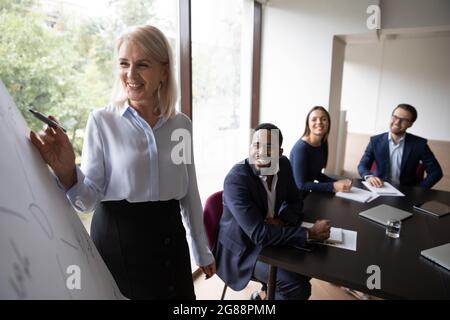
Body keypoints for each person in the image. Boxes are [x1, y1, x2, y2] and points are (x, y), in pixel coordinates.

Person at [30, 25, 215, 299]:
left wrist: (201, 248)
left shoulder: (181, 126)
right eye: (124, 64)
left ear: (164, 71)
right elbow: (88, 199)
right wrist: (67, 171)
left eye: (142, 65)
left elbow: (189, 192)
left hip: (170, 239)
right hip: (119, 241)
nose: (130, 75)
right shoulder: (102, 121)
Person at [213, 123, 331, 300]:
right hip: (243, 250)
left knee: (307, 266)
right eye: (256, 145)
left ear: (280, 152)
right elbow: (259, 235)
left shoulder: (283, 165)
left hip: (270, 237)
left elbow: (295, 201)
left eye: (269, 147)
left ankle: (263, 296)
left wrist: (282, 220)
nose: (261, 152)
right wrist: (309, 234)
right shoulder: (236, 180)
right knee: (298, 286)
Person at [358, 104, 443, 189]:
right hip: (379, 188)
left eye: (404, 120)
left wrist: (420, 190)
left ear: (410, 124)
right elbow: (362, 165)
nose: (397, 122)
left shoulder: (419, 144)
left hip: (406, 193)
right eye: (395, 117)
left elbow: (436, 172)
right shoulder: (375, 141)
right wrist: (368, 176)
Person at [290, 106, 352, 194]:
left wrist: (338, 182)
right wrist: (333, 186)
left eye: (323, 119)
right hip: (295, 199)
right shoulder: (301, 148)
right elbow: (301, 185)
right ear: (308, 124)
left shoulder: (322, 143)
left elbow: (316, 174)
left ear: (328, 123)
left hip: (308, 195)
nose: (319, 122)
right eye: (314, 119)